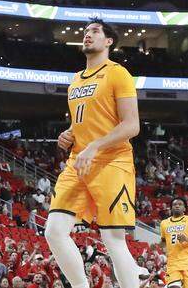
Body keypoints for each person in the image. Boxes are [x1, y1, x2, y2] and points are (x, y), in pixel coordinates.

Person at [45, 19, 142, 288]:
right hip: (79, 160)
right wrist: (69, 132)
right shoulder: (76, 79)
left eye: (95, 32)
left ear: (109, 41)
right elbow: (87, 121)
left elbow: (131, 125)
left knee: (112, 239)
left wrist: (95, 146)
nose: (87, 35)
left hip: (112, 161)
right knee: (54, 231)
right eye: (85, 32)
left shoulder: (117, 73)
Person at [158, 198, 188, 288]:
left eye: (180, 204)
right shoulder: (164, 223)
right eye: (174, 204)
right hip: (172, 263)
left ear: (184, 208)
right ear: (171, 208)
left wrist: (187, 239)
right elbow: (164, 242)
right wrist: (157, 245)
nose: (177, 206)